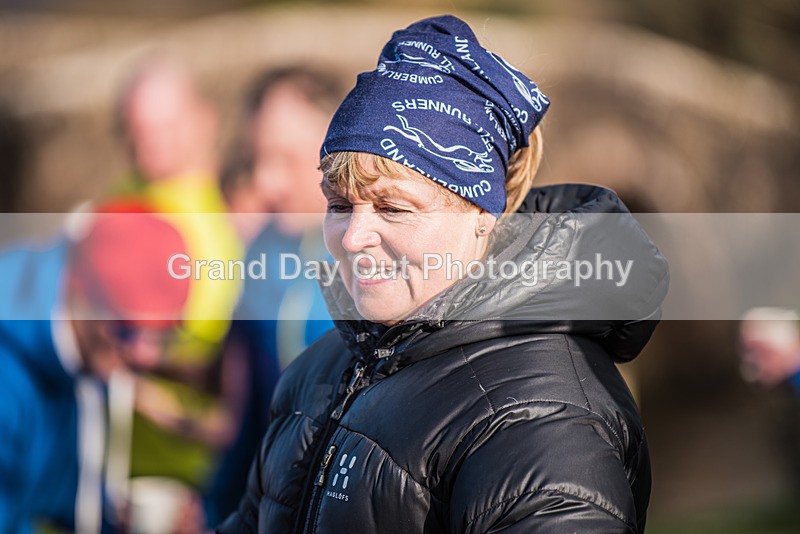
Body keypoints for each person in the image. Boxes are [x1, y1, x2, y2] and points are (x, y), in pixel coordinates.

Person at [218, 15, 669, 533]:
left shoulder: (544, 418)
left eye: (393, 208)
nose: (352, 237)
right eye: (340, 205)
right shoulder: (324, 367)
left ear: (482, 214)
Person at [205, 66, 344, 525]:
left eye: (286, 159)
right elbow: (247, 425)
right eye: (256, 159)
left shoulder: (391, 261)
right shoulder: (260, 251)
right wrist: (212, 514)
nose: (265, 182)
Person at [0, 203, 191, 533]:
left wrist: (120, 519)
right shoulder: (10, 381)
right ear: (79, 291)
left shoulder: (84, 352)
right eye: (126, 329)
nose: (144, 356)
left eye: (162, 334)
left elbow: (55, 484)